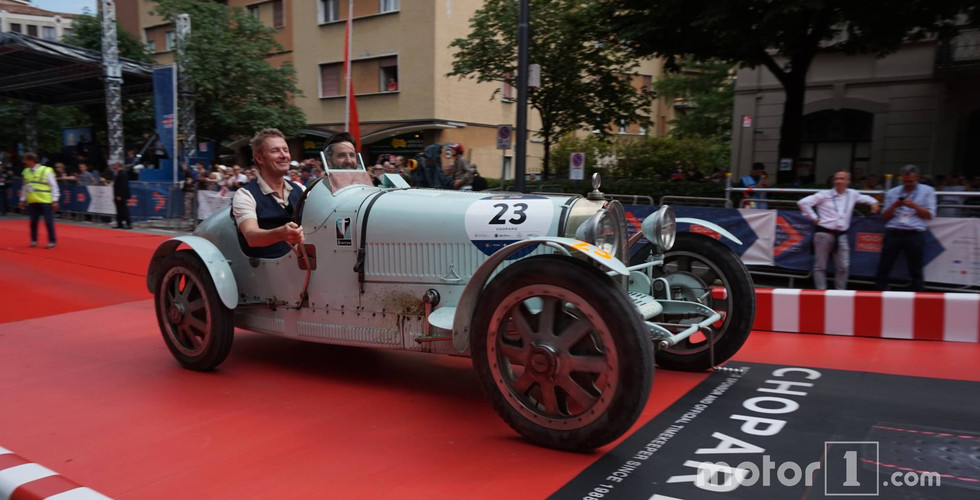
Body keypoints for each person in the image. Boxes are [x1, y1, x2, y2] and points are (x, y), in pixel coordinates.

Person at [798, 170, 880, 290]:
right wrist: (814, 217)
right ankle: (821, 291)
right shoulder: (824, 194)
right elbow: (803, 203)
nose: (838, 181)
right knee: (820, 266)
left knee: (843, 266)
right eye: (836, 178)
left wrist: (874, 203)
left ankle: (840, 292)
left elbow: (867, 198)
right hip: (824, 233)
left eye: (841, 179)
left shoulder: (852, 194)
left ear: (848, 181)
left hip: (841, 234)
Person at [231, 128, 305, 258]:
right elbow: (251, 236)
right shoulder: (245, 195)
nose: (283, 155)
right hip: (267, 266)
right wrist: (280, 233)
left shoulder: (300, 189)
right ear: (259, 158)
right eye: (275, 151)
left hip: (304, 262)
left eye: (285, 150)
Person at [875, 164, 936, 291]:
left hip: (914, 232)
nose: (907, 184)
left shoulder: (928, 191)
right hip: (894, 231)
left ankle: (917, 293)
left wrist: (915, 206)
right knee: (884, 264)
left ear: (917, 178)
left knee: (916, 267)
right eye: (905, 181)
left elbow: (930, 215)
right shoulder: (893, 192)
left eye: (911, 181)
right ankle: (880, 290)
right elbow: (884, 216)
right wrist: (895, 206)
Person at [17, 152, 59, 248]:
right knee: (33, 222)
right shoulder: (26, 171)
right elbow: (24, 186)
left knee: (48, 222)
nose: (24, 162)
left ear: (32, 160)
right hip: (32, 200)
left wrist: (55, 200)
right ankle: (34, 240)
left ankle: (52, 241)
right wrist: (22, 200)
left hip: (45, 200)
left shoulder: (45, 170)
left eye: (25, 160)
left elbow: (54, 186)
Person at [111, 162, 132, 229]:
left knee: (123, 210)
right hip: (118, 195)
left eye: (115, 165)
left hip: (121, 195)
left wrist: (119, 195)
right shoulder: (119, 173)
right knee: (119, 210)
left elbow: (123, 185)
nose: (114, 166)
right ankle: (119, 224)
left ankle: (128, 224)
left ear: (118, 166)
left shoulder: (123, 174)